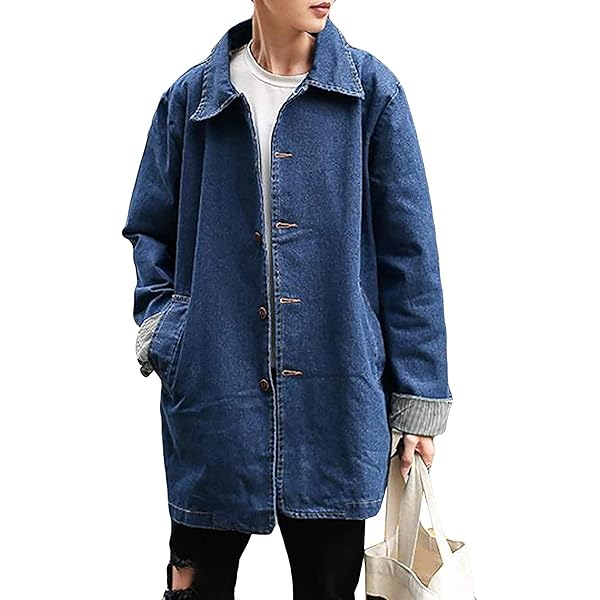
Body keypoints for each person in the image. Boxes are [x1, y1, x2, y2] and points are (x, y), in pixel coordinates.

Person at [122, 1, 453, 598]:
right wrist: (168, 332)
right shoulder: (192, 99)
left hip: (338, 402)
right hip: (214, 400)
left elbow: (410, 253)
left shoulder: (370, 94)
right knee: (194, 584)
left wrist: (419, 395)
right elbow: (150, 227)